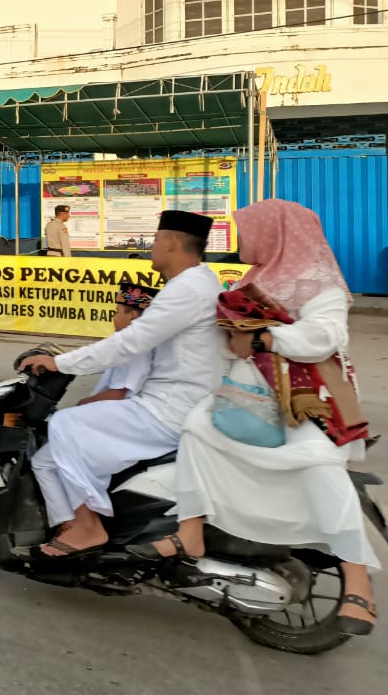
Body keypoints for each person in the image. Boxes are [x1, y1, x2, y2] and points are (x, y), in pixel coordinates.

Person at [130, 200, 377, 636]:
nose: (240, 240)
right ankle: (190, 532)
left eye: (247, 231)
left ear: (276, 232)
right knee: (195, 429)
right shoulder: (256, 277)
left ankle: (358, 583)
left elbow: (327, 335)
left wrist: (264, 338)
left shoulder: (320, 282)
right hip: (246, 393)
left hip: (304, 399)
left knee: (320, 465)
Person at [20, 210, 225, 560]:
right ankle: (78, 523)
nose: (152, 248)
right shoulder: (199, 283)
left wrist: (60, 363)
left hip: (167, 409)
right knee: (53, 455)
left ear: (172, 242)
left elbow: (129, 343)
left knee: (64, 422)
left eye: (156, 240)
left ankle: (89, 528)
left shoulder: (187, 289)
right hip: (179, 403)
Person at [75, 283, 159, 405]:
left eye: (117, 312)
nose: (114, 318)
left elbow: (118, 394)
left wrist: (83, 403)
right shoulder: (143, 342)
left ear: (132, 316)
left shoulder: (133, 347)